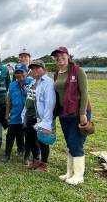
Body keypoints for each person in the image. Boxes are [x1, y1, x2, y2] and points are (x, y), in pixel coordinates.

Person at [52, 47, 89, 185]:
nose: (59, 58)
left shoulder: (77, 70)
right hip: (64, 113)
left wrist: (83, 113)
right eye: (56, 57)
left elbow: (84, 93)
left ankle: (79, 176)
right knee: (69, 143)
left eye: (62, 55)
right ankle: (70, 172)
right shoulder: (57, 74)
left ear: (68, 56)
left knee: (76, 143)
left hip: (78, 113)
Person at [22, 60, 56, 172]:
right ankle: (36, 161)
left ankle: (44, 165)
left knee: (43, 141)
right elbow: (29, 99)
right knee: (31, 139)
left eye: (37, 68)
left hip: (42, 117)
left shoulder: (48, 82)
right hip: (30, 116)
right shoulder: (33, 82)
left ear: (44, 69)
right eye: (33, 68)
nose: (34, 70)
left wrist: (46, 121)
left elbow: (50, 102)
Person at [2, 63, 32, 162]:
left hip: (28, 115)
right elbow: (9, 100)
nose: (19, 75)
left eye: (21, 72)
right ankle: (7, 155)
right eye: (17, 73)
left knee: (28, 136)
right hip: (15, 114)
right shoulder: (12, 84)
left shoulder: (32, 82)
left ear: (26, 72)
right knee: (10, 134)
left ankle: (26, 156)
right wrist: (7, 113)